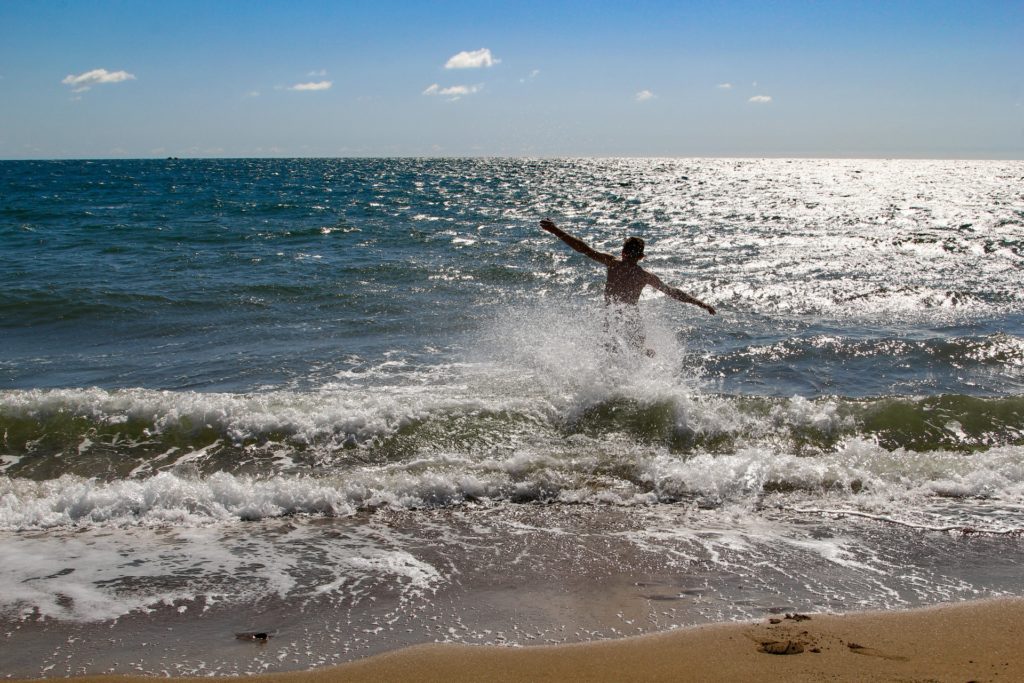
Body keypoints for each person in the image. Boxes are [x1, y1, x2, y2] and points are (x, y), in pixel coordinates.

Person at [539, 219, 715, 353]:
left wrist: (555, 230)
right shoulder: (644, 276)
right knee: (634, 351)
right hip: (631, 317)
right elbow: (672, 292)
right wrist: (701, 303)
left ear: (623, 252)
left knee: (612, 350)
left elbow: (583, 248)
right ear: (641, 257)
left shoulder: (613, 263)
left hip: (613, 314)